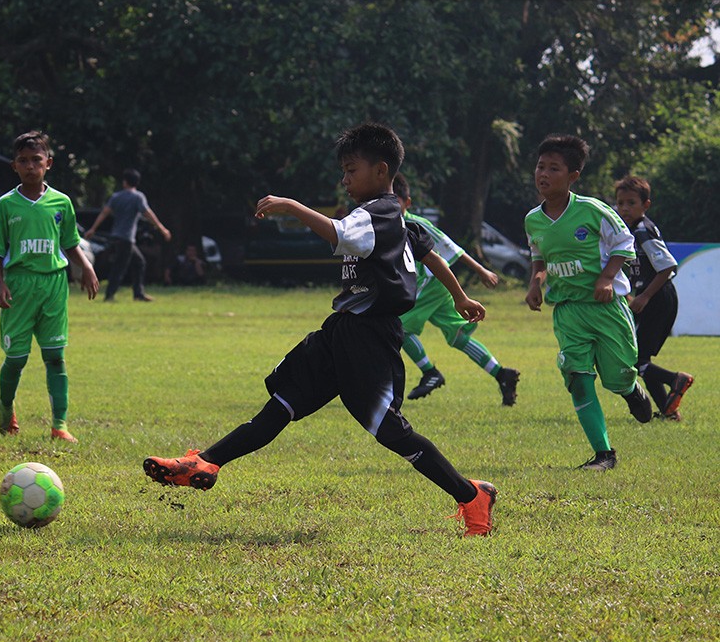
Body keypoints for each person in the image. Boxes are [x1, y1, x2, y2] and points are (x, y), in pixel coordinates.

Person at [144, 123, 498, 537]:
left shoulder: (376, 213)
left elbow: (337, 233)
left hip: (371, 337)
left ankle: (472, 495)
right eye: (343, 171)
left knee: (390, 431)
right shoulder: (398, 219)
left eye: (351, 170)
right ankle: (204, 463)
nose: (344, 179)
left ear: (381, 170)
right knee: (283, 403)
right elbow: (428, 253)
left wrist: (292, 206)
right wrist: (459, 296)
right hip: (341, 331)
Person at [524, 134, 653, 472]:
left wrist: (607, 278)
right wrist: (536, 283)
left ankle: (629, 389)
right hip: (568, 310)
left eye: (554, 168)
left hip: (606, 309)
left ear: (573, 176)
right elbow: (539, 258)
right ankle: (604, 454)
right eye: (540, 167)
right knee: (577, 378)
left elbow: (624, 244)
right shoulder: (532, 219)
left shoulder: (593, 210)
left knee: (616, 378)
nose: (544, 174)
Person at [0, 131, 98, 443]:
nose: (30, 166)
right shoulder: (6, 204)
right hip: (19, 287)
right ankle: (5, 407)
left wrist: (86, 267)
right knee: (16, 359)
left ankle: (59, 425)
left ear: (48, 163)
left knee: (55, 357)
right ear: (14, 166)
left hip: (53, 285)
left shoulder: (61, 202)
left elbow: (70, 242)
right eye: (23, 161)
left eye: (37, 160)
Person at [393, 173, 520, 405]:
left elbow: (452, 248)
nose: (390, 207)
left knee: (397, 327)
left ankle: (430, 372)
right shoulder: (388, 226)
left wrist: (481, 270)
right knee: (458, 337)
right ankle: (502, 374)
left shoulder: (416, 225)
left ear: (407, 203)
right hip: (437, 288)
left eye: (395, 201)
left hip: (432, 285)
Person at [614, 176, 693, 421]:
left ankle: (676, 379)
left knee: (635, 361)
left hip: (658, 297)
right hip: (654, 296)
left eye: (631, 203)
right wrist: (633, 294)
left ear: (645, 205)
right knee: (641, 359)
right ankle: (669, 412)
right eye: (620, 203)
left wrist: (645, 296)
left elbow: (667, 266)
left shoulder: (642, 230)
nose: (624, 209)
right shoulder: (630, 231)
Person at [85, 168, 171, 302]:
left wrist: (93, 229)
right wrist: (162, 228)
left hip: (117, 236)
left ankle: (138, 293)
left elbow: (104, 212)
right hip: (126, 238)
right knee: (120, 267)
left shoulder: (116, 197)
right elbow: (148, 213)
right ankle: (110, 295)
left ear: (125, 182)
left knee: (139, 262)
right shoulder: (138, 197)